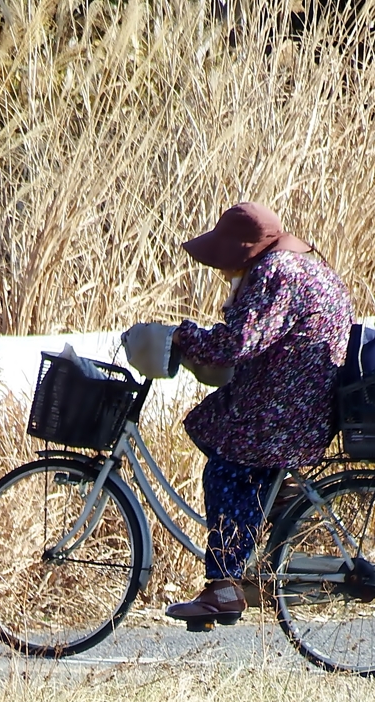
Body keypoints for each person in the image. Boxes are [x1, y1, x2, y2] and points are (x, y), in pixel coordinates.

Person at [144, 202, 353, 630]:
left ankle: (223, 586)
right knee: (222, 434)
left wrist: (184, 336)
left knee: (224, 468)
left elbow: (236, 343)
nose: (222, 271)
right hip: (300, 406)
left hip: (286, 413)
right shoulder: (297, 265)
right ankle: (262, 540)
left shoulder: (275, 272)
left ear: (242, 252)